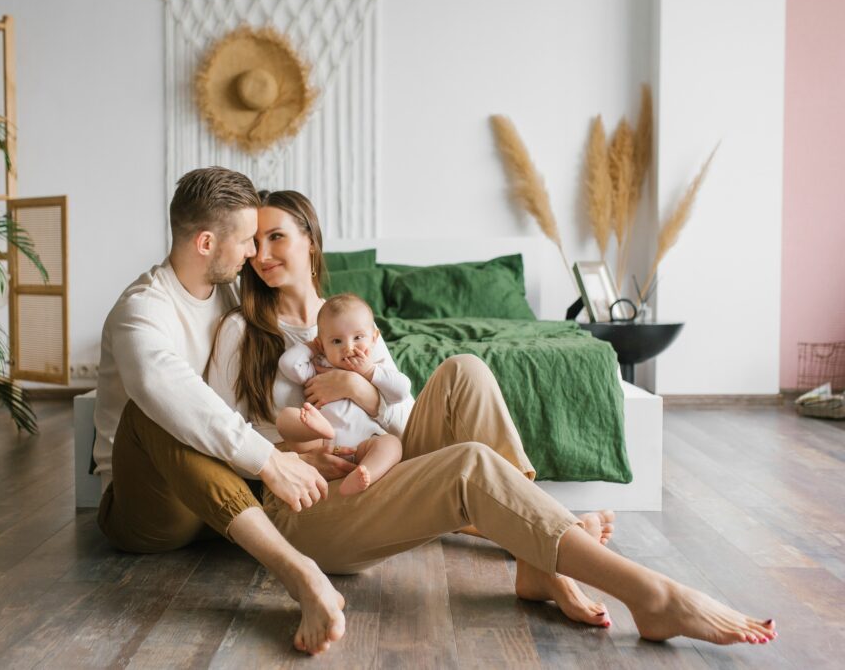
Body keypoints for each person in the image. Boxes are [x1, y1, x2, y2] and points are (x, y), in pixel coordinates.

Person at [207, 188, 778, 650]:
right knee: (471, 465)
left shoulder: (356, 326)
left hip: (377, 464)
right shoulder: (243, 330)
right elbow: (223, 435)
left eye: (276, 236)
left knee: (465, 368)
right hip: (311, 506)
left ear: (310, 240)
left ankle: (537, 564)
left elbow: (401, 428)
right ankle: (651, 595)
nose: (262, 254)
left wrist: (363, 391)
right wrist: (295, 449)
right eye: (254, 243)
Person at [93, 167, 347, 655]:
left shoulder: (232, 294)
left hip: (225, 494)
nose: (256, 254)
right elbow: (164, 389)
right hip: (153, 511)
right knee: (150, 410)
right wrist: (270, 462)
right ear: (206, 242)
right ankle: (299, 573)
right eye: (249, 240)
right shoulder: (142, 310)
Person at [275, 293, 409, 496]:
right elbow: (288, 365)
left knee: (392, 445)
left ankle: (365, 474)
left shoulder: (376, 370)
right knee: (286, 417)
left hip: (365, 444)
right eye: (337, 341)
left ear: (374, 338)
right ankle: (323, 429)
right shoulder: (319, 366)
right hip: (323, 445)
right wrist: (312, 347)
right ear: (322, 345)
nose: (349, 347)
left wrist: (368, 372)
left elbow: (401, 391)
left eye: (358, 337)